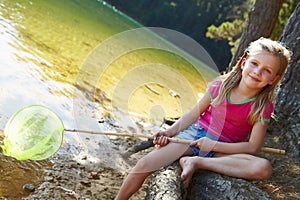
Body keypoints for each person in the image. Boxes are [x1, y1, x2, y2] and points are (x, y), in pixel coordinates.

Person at [115, 37, 291, 200]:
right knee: (144, 164)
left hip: (225, 150)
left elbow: (252, 147)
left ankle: (197, 162)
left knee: (264, 168)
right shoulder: (219, 86)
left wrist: (213, 145)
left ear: (274, 79)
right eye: (254, 63)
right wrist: (169, 132)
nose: (258, 72)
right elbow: (193, 114)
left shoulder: (262, 107)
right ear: (244, 63)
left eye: (266, 70)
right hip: (193, 137)